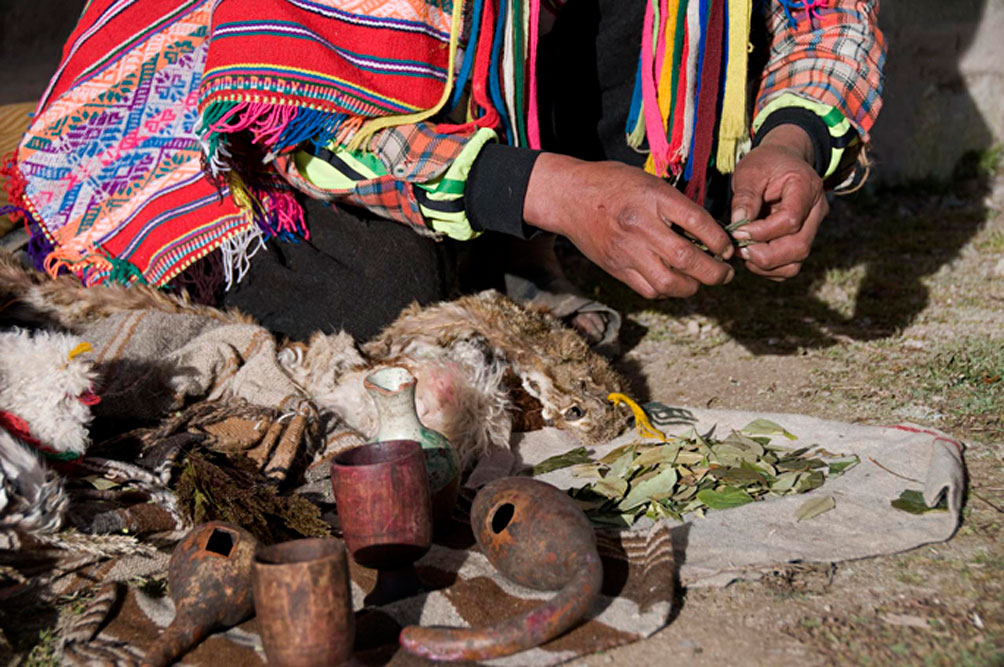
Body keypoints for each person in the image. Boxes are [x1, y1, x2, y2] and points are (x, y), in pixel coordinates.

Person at [4, 0, 885, 349]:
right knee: (366, 311)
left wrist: (794, 136)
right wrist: (556, 192)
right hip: (237, 105)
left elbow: (826, 10)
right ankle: (494, 235)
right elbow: (301, 123)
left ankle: (496, 239)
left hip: (465, 61)